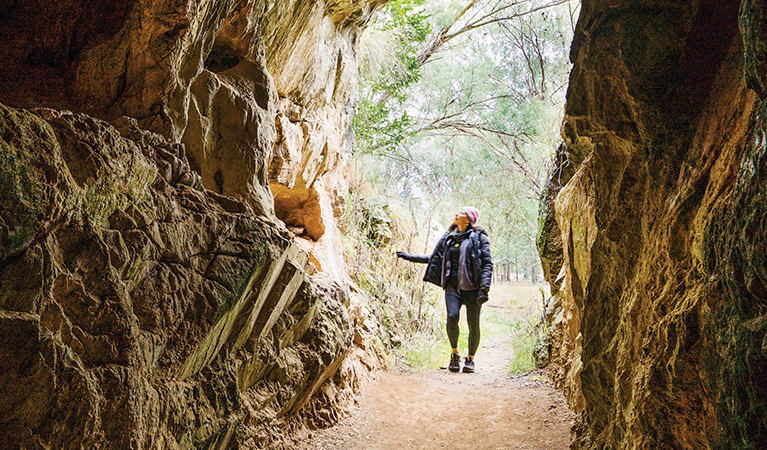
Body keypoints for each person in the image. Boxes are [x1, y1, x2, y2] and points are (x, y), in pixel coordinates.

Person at [396, 206, 492, 373]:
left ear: (469, 219)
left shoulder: (479, 238)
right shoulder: (448, 237)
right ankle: (454, 354)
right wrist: (409, 257)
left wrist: (484, 289)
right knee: (452, 316)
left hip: (473, 288)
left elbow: (487, 264)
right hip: (452, 286)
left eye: (461, 213)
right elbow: (433, 258)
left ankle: (470, 359)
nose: (456, 214)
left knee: (473, 324)